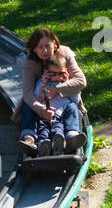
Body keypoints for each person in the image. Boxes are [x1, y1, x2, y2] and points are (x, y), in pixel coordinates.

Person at [14, 26, 87, 157]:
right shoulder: (29, 63)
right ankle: (29, 138)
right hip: (41, 99)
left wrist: (57, 90)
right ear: (34, 49)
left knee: (71, 107)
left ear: (55, 44)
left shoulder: (64, 55)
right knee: (28, 106)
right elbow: (28, 93)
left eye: (48, 46)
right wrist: (41, 108)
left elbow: (81, 80)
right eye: (40, 47)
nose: (45, 50)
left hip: (63, 99)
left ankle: (72, 137)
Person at [31, 52, 81, 155]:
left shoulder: (67, 84)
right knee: (42, 129)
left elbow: (76, 99)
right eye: (53, 74)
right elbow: (35, 96)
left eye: (61, 73)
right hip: (45, 114)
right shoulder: (42, 83)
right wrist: (43, 83)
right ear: (46, 72)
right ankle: (43, 146)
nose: (57, 77)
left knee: (58, 129)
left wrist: (66, 83)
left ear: (66, 72)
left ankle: (62, 142)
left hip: (60, 116)